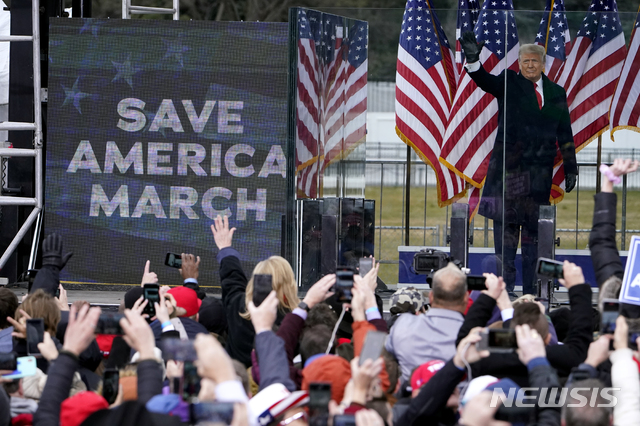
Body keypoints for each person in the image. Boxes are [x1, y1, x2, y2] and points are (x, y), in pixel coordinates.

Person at [459, 32, 578, 296]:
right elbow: (485, 81)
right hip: (508, 177)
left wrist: (571, 168)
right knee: (506, 239)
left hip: (538, 180)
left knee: (535, 240)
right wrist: (472, 61)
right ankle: (505, 290)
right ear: (519, 63)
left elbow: (565, 134)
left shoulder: (557, 93)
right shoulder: (508, 83)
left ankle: (534, 291)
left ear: (543, 64)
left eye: (534, 61)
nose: (529, 66)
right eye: (525, 61)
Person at [211, 215, 300, 367]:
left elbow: (232, 279)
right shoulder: (294, 322)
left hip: (240, 385)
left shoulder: (238, 307)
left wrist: (225, 248)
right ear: (289, 284)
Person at [385, 263, 468, 383]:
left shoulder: (402, 325)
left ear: (431, 297)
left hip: (409, 398)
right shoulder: (476, 337)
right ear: (465, 298)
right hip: (459, 399)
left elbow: (373, 357)